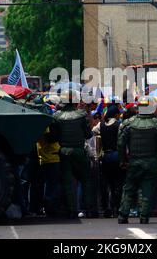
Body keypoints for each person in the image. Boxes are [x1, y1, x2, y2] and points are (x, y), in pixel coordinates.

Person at [117, 96, 157, 224]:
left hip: (134, 160)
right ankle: (144, 216)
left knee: (129, 188)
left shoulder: (128, 123)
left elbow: (120, 144)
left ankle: (123, 215)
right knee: (147, 188)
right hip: (151, 161)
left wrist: (122, 160)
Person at [50, 90, 95, 218]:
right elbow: (88, 134)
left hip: (64, 151)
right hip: (79, 151)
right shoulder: (82, 115)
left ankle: (71, 210)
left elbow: (53, 137)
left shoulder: (57, 116)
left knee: (68, 181)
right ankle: (88, 209)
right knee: (85, 180)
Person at [93, 105, 124, 218]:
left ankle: (107, 208)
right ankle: (116, 207)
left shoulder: (101, 124)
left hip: (105, 156)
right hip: (117, 155)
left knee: (106, 183)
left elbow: (93, 131)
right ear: (116, 115)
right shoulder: (119, 125)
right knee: (118, 183)